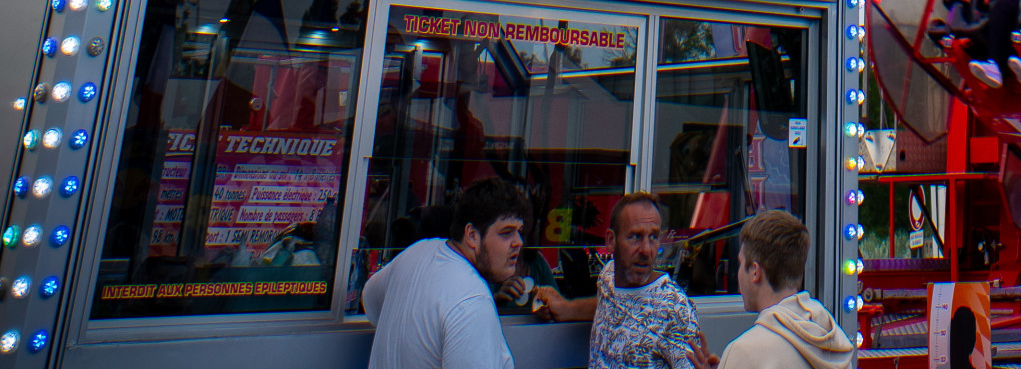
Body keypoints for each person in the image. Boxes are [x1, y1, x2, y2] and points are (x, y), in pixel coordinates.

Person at [532, 191, 709, 369]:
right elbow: (611, 303)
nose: (646, 250)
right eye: (635, 237)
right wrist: (566, 309)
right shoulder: (608, 276)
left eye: (653, 237)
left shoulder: (675, 308)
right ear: (611, 240)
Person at [363, 178, 524, 369]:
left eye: (519, 231)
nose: (518, 242)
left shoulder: (417, 252)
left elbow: (369, 300)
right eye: (506, 232)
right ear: (472, 235)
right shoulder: (472, 302)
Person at [717, 211, 852, 369]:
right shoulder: (835, 347)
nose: (737, 273)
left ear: (755, 271)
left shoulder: (743, 352)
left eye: (740, 263)